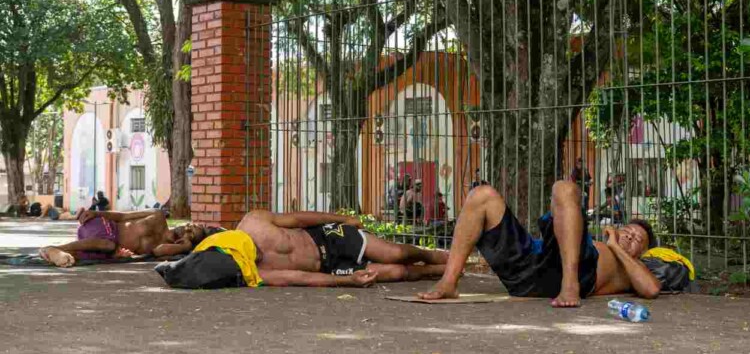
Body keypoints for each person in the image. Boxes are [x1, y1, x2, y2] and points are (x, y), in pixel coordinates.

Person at [418, 181, 662, 307]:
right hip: (528, 268)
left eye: (637, 239)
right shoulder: (589, 242)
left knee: (564, 187)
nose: (630, 236)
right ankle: (449, 281)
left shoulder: (630, 268)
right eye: (627, 231)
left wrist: (616, 246)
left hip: (575, 275)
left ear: (643, 252)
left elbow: (651, 289)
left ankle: (569, 283)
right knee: (481, 194)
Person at [234, 210, 448, 287]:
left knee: (397, 254)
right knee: (397, 272)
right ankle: (441, 271)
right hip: (329, 267)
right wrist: (347, 281)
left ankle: (435, 256)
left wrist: (344, 219)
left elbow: (300, 218)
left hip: (328, 237)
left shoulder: (254, 221)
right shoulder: (253, 271)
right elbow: (300, 277)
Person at [39, 209, 206, 267]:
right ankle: (56, 248)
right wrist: (98, 213)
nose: (187, 227)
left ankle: (53, 253)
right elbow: (122, 216)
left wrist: (183, 247)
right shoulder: (158, 216)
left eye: (191, 232)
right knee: (108, 245)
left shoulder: (167, 247)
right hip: (105, 226)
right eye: (191, 225)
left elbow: (157, 252)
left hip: (105, 246)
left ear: (187, 240)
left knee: (94, 253)